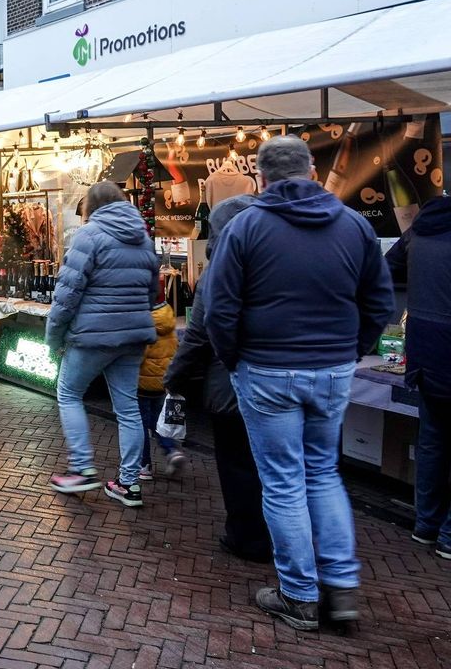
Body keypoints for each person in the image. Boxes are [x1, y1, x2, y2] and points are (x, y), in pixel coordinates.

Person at [206, 136, 393, 629]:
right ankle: (341, 587)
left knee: (284, 481)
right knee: (323, 473)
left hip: (266, 369)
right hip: (330, 368)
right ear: (312, 172)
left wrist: (235, 360)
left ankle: (299, 594)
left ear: (261, 178)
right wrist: (350, 350)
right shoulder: (354, 225)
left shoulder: (245, 227)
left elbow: (219, 308)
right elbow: (379, 302)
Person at [164, 194, 271, 563]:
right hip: (279, 383)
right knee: (277, 466)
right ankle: (283, 537)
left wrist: (175, 377)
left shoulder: (218, 271)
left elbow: (199, 335)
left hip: (232, 386)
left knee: (237, 463)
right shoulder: (277, 263)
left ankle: (247, 537)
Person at [44, 181, 158, 508]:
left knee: (69, 393)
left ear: (91, 207)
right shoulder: (144, 239)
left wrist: (54, 336)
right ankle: (129, 483)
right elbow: (151, 292)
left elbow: (67, 294)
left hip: (93, 336)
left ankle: (81, 468)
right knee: (128, 408)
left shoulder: (89, 236)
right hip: (132, 337)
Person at [385, 194, 451, 561]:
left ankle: (426, 525)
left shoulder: (420, 230)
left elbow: (385, 267)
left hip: (424, 352)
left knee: (432, 441)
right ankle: (448, 536)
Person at [137, 291, 185, 481]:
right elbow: (174, 349)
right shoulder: (168, 318)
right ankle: (171, 450)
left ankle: (144, 465)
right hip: (162, 382)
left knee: (140, 424)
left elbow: (140, 355)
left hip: (142, 382)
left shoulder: (146, 322)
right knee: (158, 421)